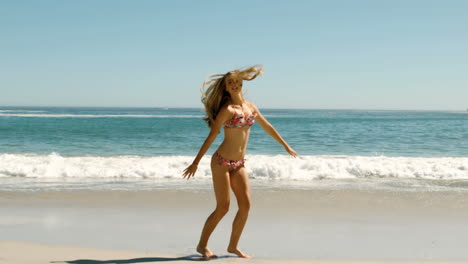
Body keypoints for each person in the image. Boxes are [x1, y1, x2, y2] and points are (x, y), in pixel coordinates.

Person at [182, 65, 297, 259]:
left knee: (245, 206)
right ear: (225, 87)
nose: (234, 85)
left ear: (241, 84)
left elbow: (267, 126)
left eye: (236, 82)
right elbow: (211, 136)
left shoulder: (250, 107)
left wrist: (285, 146)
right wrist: (196, 162)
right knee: (223, 207)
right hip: (221, 162)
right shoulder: (227, 110)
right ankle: (202, 246)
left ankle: (232, 246)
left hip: (239, 164)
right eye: (230, 83)